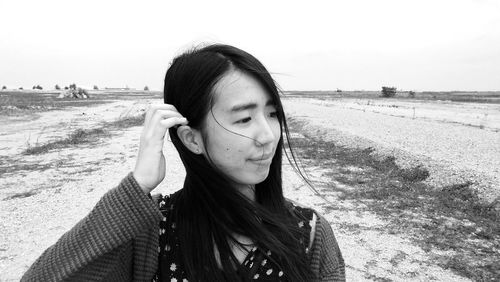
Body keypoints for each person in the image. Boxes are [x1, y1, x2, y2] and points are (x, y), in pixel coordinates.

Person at [21, 44, 345, 281]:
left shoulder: (309, 235)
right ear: (192, 138)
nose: (268, 135)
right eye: (245, 119)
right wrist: (136, 188)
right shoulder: (152, 234)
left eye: (272, 114)